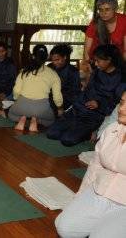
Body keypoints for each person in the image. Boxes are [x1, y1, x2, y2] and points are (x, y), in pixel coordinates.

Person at [54, 91, 126, 238]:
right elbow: (95, 166)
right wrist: (80, 196)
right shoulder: (112, 129)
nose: (121, 108)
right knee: (65, 228)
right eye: (122, 102)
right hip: (100, 190)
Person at [47, 44, 123, 146]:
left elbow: (117, 104)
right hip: (78, 110)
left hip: (94, 116)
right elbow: (86, 90)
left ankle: (89, 133)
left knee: (67, 140)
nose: (95, 64)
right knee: (51, 133)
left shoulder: (121, 79)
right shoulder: (97, 72)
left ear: (109, 60)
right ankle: (75, 129)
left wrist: (99, 104)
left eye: (98, 61)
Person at [8, 45, 62, 132]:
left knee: (11, 115)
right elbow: (57, 96)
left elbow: (16, 90)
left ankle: (23, 118)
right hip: (41, 107)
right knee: (51, 121)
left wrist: (16, 99)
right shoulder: (53, 73)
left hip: (22, 104)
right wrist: (59, 107)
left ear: (33, 56)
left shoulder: (24, 71)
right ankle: (35, 120)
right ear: (47, 57)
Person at [84, 0, 126, 64]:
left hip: (118, 62)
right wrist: (87, 63)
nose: (104, 13)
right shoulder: (95, 23)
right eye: (101, 10)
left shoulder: (124, 21)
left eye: (107, 9)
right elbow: (87, 51)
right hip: (97, 61)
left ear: (115, 9)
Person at [48, 44, 81, 110]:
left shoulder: (73, 71)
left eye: (57, 60)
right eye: (52, 60)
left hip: (65, 101)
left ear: (65, 57)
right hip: (49, 98)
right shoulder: (49, 67)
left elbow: (75, 92)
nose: (54, 62)